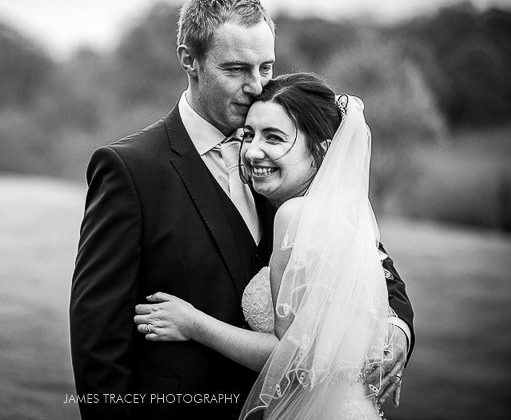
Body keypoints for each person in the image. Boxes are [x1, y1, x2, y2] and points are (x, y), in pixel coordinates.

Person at [69, 0, 413, 420]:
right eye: (235, 69)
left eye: (265, 68)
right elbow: (96, 333)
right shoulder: (131, 169)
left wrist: (398, 331)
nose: (255, 87)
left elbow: (372, 266)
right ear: (188, 60)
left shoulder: (294, 158)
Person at [134, 73, 412, 419]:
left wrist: (192, 323)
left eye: (275, 138)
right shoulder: (340, 214)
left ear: (322, 150)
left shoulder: (294, 215)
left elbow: (294, 356)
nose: (252, 151)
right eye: (248, 135)